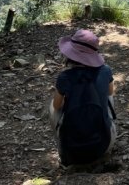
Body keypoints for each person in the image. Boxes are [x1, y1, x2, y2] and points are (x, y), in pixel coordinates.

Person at [49, 29, 117, 167]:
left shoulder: (65, 77)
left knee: (52, 105)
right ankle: (105, 128)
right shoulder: (105, 70)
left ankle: (60, 143)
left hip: (71, 152)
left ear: (71, 55)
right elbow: (110, 92)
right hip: (103, 146)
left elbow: (57, 106)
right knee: (109, 98)